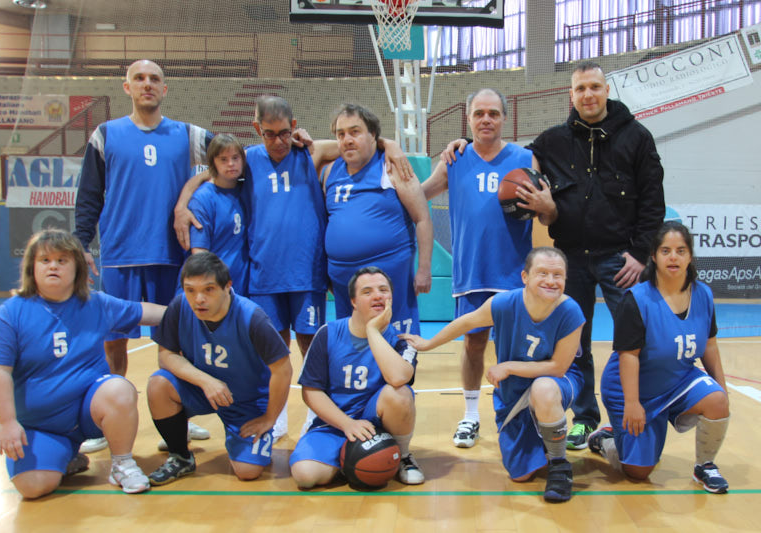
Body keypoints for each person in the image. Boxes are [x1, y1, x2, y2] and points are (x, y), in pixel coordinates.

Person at [174, 96, 412, 441]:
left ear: (294, 126)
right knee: (273, 349)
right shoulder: (248, 159)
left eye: (284, 132)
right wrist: (182, 203)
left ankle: (317, 414)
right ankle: (277, 415)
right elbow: (210, 174)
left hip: (306, 273)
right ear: (257, 129)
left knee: (312, 347)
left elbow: (357, 142)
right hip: (264, 274)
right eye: (269, 134)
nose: (278, 141)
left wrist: (392, 145)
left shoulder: (309, 151)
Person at [521, 61, 665, 449]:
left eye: (595, 87)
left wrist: (640, 254)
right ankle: (585, 419)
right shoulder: (552, 141)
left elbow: (653, 200)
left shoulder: (637, 137)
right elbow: (513, 160)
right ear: (571, 95)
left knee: (635, 341)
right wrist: (465, 144)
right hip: (569, 260)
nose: (588, 95)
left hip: (622, 260)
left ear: (606, 90)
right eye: (581, 88)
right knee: (575, 342)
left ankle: (631, 417)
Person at [74, 59, 213, 452]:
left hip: (172, 254)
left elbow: (230, 158)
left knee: (177, 343)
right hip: (120, 254)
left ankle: (179, 417)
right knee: (112, 343)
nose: (147, 84)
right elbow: (89, 195)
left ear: (164, 89)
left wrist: (188, 194)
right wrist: (81, 243)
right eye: (139, 78)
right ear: (127, 87)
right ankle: (104, 422)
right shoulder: (106, 134)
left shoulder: (187, 134)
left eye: (154, 79)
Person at [0, 229, 166, 498]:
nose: (53, 266)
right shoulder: (10, 314)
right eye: (45, 260)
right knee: (33, 487)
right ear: (32, 268)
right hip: (41, 425)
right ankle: (65, 456)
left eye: (62, 260)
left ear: (77, 268)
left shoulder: (94, 304)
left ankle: (122, 464)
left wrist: (192, 311)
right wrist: (7, 422)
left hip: (88, 412)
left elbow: (146, 312)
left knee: (119, 388)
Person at [401, 247, 584, 502]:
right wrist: (428, 343)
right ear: (525, 277)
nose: (551, 281)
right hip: (514, 392)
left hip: (556, 382)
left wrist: (508, 367)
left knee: (543, 389)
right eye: (542, 273)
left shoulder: (570, 311)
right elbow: (467, 322)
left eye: (558, 275)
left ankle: (559, 466)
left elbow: (557, 367)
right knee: (520, 474)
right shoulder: (504, 303)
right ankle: (543, 434)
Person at [423, 88, 536, 449]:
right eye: (479, 113)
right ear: (469, 119)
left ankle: (515, 417)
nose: (486, 119)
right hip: (471, 273)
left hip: (514, 274)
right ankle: (470, 415)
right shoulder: (454, 159)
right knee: (473, 345)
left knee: (514, 352)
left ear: (504, 118)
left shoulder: (525, 159)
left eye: (493, 113)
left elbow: (545, 206)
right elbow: (421, 194)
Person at [588, 221, 730, 494]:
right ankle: (606, 440)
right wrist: (632, 403)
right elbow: (628, 356)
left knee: (717, 400)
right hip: (633, 388)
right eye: (666, 251)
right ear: (653, 256)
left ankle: (705, 465)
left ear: (690, 256)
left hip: (678, 380)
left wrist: (721, 387)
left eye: (680, 250)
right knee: (638, 472)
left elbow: (710, 345)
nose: (673, 257)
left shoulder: (703, 294)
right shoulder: (637, 299)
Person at [146, 252, 292, 485]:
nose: (198, 299)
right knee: (158, 384)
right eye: (190, 290)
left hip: (246, 401)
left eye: (209, 289)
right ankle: (180, 456)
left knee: (248, 471)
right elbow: (166, 355)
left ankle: (242, 440)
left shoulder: (252, 317)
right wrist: (206, 381)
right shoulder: (180, 306)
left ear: (227, 287)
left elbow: (283, 369)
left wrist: (269, 418)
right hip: (203, 391)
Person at [290, 266, 424, 488]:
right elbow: (311, 392)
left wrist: (372, 331)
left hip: (378, 427)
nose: (378, 296)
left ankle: (401, 455)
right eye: (367, 291)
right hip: (335, 423)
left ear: (391, 297)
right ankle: (351, 459)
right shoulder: (328, 333)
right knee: (305, 475)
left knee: (399, 393)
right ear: (353, 301)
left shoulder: (402, 341)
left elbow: (399, 378)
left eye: (383, 290)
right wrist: (347, 424)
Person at [323, 103, 432, 336]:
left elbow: (422, 218)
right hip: (343, 280)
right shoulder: (330, 172)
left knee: (397, 343)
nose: (347, 140)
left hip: (390, 274)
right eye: (341, 134)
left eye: (355, 132)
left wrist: (424, 269)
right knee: (353, 343)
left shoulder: (392, 166)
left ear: (373, 135)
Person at [187, 133, 250, 295]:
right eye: (223, 159)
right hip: (214, 289)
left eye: (235, 158)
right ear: (213, 162)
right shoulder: (203, 198)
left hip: (240, 287)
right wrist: (213, 287)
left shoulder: (247, 191)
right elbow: (199, 253)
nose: (231, 164)